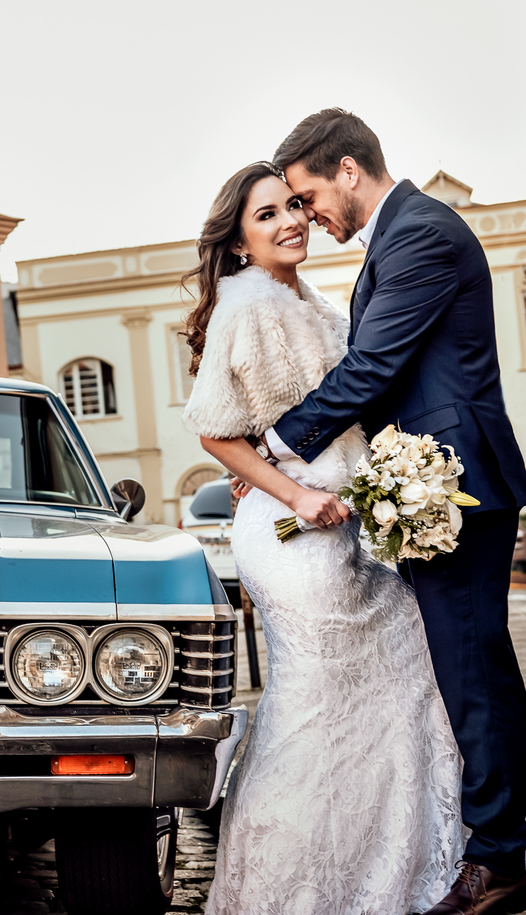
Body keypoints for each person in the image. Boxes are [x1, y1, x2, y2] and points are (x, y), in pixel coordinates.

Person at [183, 160, 464, 914]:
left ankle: (386, 864)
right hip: (291, 529)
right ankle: (292, 888)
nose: (292, 222)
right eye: (268, 215)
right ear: (239, 243)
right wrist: (296, 490)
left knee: (399, 672)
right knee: (318, 700)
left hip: (342, 523)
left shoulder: (310, 300)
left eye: (295, 207)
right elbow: (214, 430)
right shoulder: (246, 304)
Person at [267, 109, 526, 915]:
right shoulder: (401, 234)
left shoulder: (419, 233)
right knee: (477, 668)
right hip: (438, 481)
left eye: (309, 197)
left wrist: (273, 444)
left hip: (456, 482)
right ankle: (510, 838)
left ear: (348, 170)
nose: (309, 216)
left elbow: (374, 366)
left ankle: (501, 856)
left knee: (472, 672)